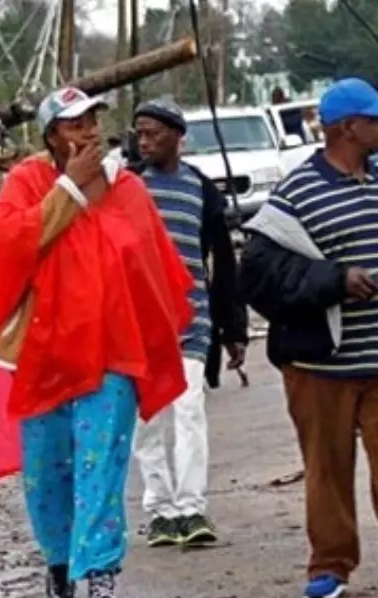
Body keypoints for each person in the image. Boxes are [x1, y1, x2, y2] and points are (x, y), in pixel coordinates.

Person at [0, 87, 195, 598]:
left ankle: (102, 580)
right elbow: (10, 242)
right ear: (51, 137)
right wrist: (70, 188)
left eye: (92, 121)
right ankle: (59, 565)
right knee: (48, 472)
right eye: (74, 125)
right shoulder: (27, 182)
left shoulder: (128, 188)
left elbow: (150, 264)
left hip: (112, 356)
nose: (88, 133)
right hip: (43, 357)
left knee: (103, 467)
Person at [237, 77, 378, 598]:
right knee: (328, 467)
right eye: (374, 120)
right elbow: (261, 276)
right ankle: (331, 565)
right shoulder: (296, 194)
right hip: (322, 364)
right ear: (344, 129)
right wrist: (335, 281)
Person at [127, 99, 249, 548]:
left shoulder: (201, 190)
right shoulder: (129, 188)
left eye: (154, 133)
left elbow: (224, 261)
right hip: (141, 324)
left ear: (179, 137)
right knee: (151, 418)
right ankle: (160, 511)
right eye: (139, 133)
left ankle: (192, 507)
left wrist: (233, 328)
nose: (145, 141)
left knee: (189, 410)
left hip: (192, 318)